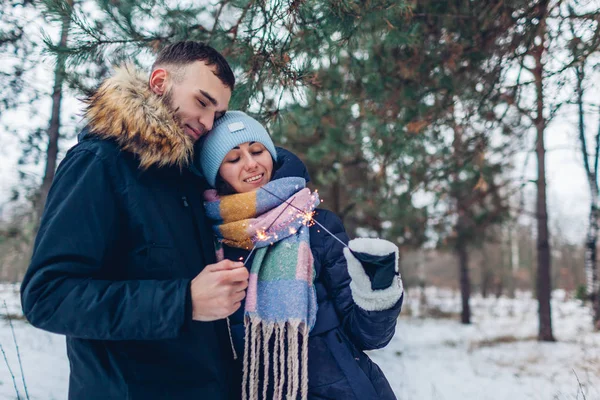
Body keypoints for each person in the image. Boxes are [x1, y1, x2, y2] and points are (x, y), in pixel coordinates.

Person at [20, 41, 249, 399]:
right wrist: (183, 301)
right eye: (202, 103)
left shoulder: (189, 182)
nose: (207, 123)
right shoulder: (98, 164)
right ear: (159, 82)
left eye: (217, 115)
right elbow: (48, 296)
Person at [198, 111, 404, 400]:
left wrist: (378, 287)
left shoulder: (316, 223)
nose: (251, 163)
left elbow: (368, 336)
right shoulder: (207, 239)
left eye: (257, 151)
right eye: (234, 159)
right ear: (216, 173)